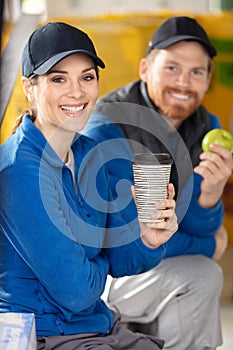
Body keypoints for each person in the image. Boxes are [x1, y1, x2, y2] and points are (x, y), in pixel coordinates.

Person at [0, 21, 179, 350]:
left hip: (98, 326)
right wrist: (103, 262)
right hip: (46, 335)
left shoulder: (88, 155)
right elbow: (78, 291)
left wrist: (147, 238)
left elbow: (121, 258)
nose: (77, 92)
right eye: (58, 79)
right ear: (29, 87)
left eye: (87, 77)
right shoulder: (19, 172)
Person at [82, 16, 233, 350]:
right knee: (202, 272)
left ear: (208, 80)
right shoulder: (107, 127)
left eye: (197, 72)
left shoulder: (208, 126)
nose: (184, 82)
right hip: (103, 274)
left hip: (154, 267)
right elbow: (125, 237)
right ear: (144, 68)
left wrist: (209, 193)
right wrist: (211, 245)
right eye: (172, 68)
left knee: (198, 277)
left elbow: (199, 226)